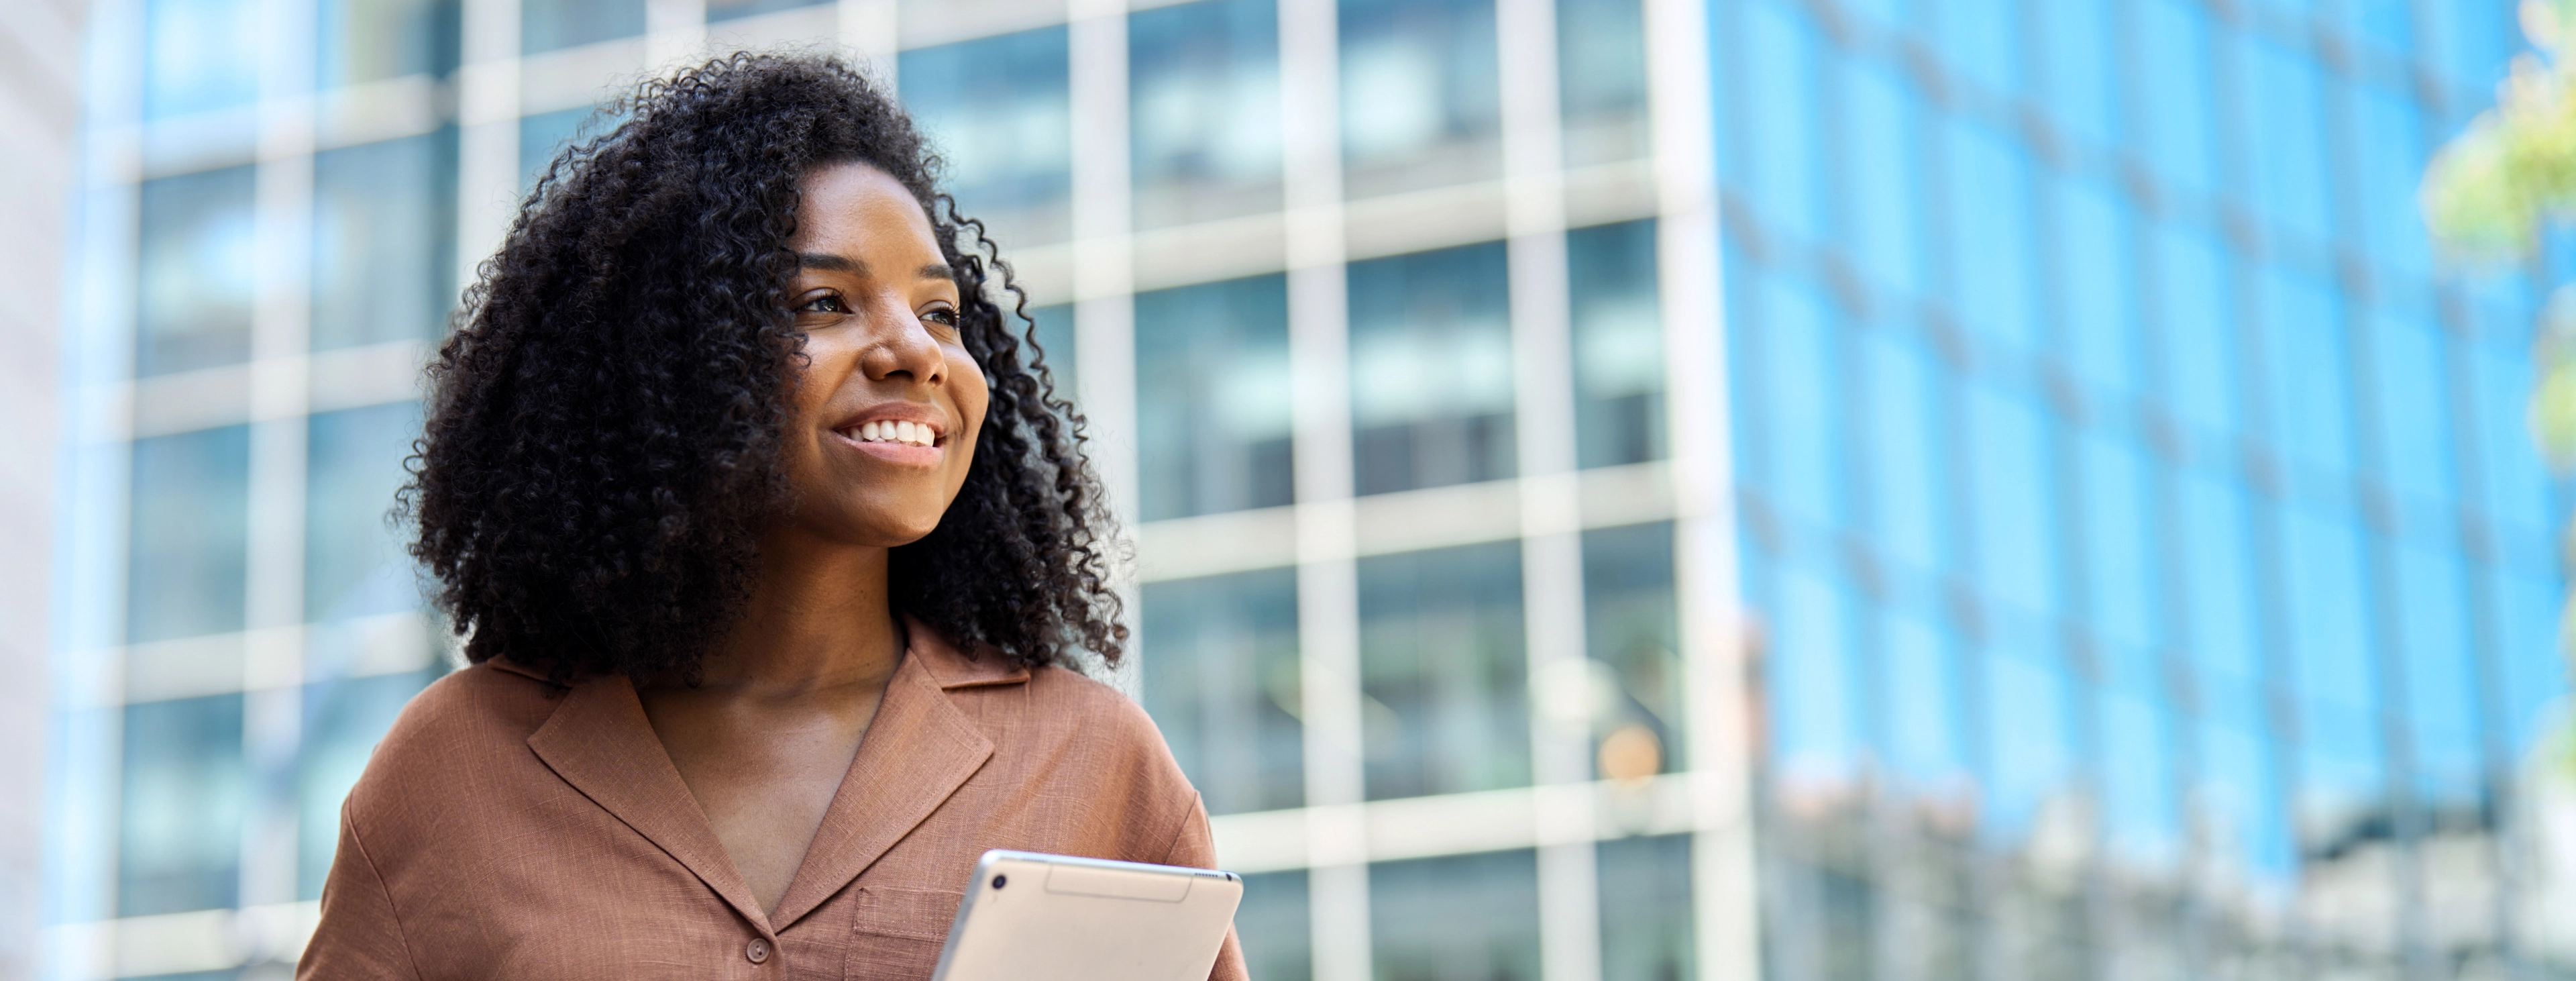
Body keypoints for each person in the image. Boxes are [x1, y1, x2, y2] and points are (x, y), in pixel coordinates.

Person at [297, 53, 1246, 980]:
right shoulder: (452, 774)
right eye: (825, 302)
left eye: (942, 312)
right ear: (673, 360)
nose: (917, 351)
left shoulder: (1095, 765)